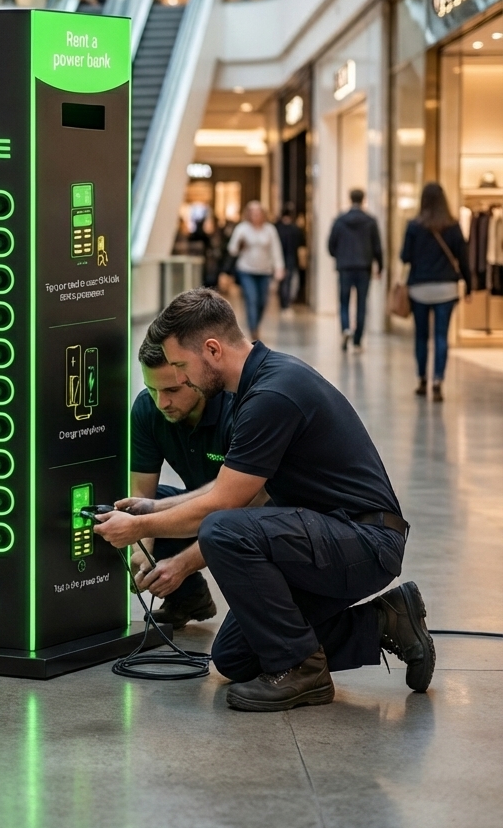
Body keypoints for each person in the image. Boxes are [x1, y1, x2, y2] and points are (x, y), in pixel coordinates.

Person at [94, 289, 435, 712]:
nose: (181, 379)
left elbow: (225, 503)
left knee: (222, 529)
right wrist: (152, 508)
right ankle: (387, 621)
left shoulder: (272, 393)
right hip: (323, 537)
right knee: (235, 656)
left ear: (213, 350)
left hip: (364, 541)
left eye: (182, 366)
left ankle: (303, 672)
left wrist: (140, 529)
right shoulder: (260, 385)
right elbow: (234, 489)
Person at [115, 323, 237, 629]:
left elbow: (242, 503)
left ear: (194, 377)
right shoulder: (147, 410)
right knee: (119, 512)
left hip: (251, 513)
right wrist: (141, 551)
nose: (161, 402)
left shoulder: (235, 408)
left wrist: (180, 566)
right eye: (152, 389)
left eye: (171, 390)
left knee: (235, 654)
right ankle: (189, 598)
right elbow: (142, 496)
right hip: (201, 507)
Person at [401, 182, 472, 402]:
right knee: (441, 336)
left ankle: (422, 379)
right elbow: (463, 258)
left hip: (420, 288)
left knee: (421, 336)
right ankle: (438, 380)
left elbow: (405, 256)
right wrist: (468, 285)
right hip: (446, 289)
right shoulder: (453, 225)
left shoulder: (414, 226)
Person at [328, 188, 383, 351]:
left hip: (345, 267)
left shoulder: (340, 220)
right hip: (364, 267)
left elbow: (331, 244)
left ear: (350, 199)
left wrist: (339, 256)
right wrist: (380, 265)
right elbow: (377, 246)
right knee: (361, 303)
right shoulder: (370, 221)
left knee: (344, 301)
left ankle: (345, 328)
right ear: (363, 199)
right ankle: (358, 340)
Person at [227, 201, 284, 340]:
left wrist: (279, 267)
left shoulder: (269, 229)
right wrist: (240, 243)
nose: (255, 215)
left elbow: (276, 249)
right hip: (246, 269)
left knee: (262, 301)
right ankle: (253, 329)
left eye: (258, 212)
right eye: (252, 212)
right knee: (251, 299)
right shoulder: (242, 228)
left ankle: (256, 323)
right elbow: (232, 250)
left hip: (264, 271)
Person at [274, 202, 305, 311]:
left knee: (282, 281)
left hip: (280, 257)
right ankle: (285, 303)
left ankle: (283, 302)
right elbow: (301, 244)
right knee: (287, 281)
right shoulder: (295, 229)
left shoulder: (277, 228)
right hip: (291, 257)